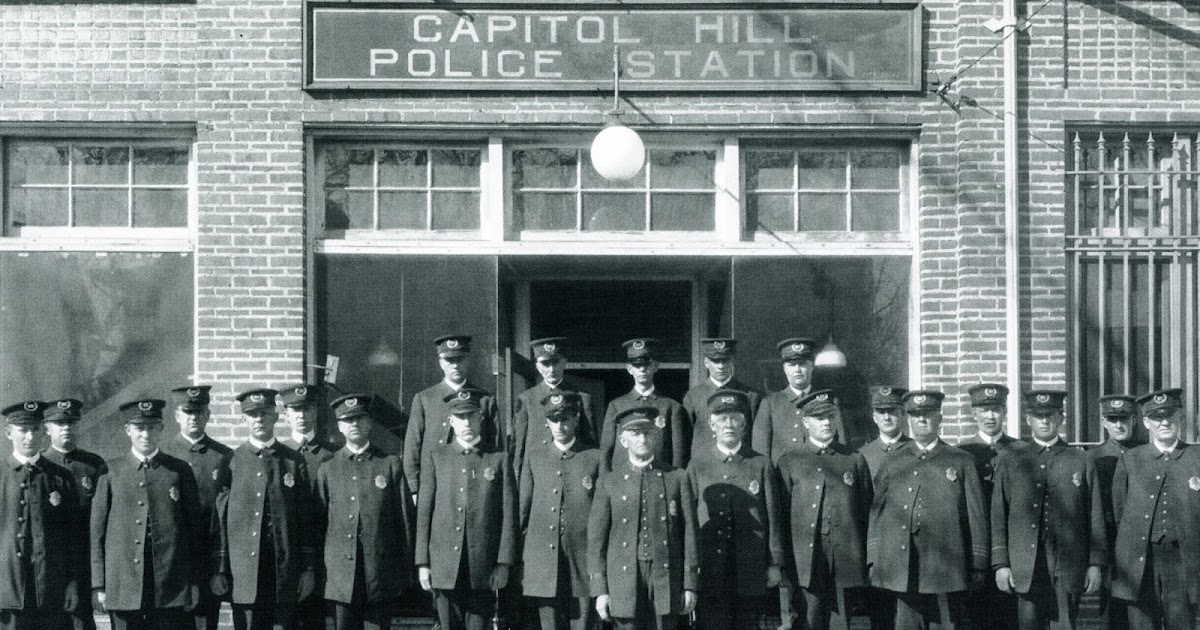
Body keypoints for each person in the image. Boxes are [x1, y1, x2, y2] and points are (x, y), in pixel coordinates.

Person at [867, 390, 988, 630]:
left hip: (946, 567)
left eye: (928, 414)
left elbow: (976, 515)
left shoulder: (960, 460)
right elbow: (877, 514)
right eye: (916, 415)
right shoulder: (893, 462)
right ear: (908, 419)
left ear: (940, 418)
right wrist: (873, 558)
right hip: (904, 565)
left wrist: (978, 562)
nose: (922, 420)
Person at [991, 390, 1105, 630]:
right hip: (1025, 560)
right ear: (1028, 420)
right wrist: (1001, 563)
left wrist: (1095, 563)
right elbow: (999, 514)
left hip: (1068, 560)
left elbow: (1094, 515)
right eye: (1038, 415)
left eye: (1050, 415)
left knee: (1065, 625)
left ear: (1061, 418)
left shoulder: (1080, 459)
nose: (1045, 421)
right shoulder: (1011, 459)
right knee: (1028, 623)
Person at [90, 398, 204, 630]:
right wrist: (99, 584)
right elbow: (97, 533)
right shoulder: (110, 472)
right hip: (123, 582)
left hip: (170, 583)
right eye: (139, 428)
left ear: (161, 428)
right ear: (127, 430)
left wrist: (193, 580)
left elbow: (194, 532)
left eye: (152, 427)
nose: (146, 434)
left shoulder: (178, 470)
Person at [211, 388, 318, 630]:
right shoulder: (232, 461)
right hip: (245, 573)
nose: (259, 419)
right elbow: (220, 521)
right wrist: (219, 568)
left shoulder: (292, 460)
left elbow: (305, 520)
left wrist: (308, 568)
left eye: (265, 413)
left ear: (276, 416)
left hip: (284, 570)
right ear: (244, 419)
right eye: (253, 414)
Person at [588, 406, 699, 630]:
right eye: (635, 434)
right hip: (624, 579)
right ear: (623, 440)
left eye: (647, 432)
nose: (642, 439)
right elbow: (596, 540)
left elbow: (690, 534)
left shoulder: (677, 477)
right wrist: (600, 590)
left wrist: (690, 585)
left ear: (656, 435)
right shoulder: (609, 482)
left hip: (666, 577)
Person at [416, 388, 516, 630]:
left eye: (471, 416)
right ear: (451, 420)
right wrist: (423, 563)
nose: (466, 422)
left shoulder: (498, 459)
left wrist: (503, 563)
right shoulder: (436, 457)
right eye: (460, 417)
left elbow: (509, 515)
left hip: (483, 566)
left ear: (481, 418)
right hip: (444, 564)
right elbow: (425, 512)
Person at [318, 393, 416, 630]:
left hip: (380, 574)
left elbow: (404, 521)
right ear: (340, 426)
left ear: (370, 422)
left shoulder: (389, 464)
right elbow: (319, 524)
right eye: (348, 420)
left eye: (360, 418)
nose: (355, 425)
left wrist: (405, 570)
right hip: (341, 575)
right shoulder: (328, 469)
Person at [687, 390, 783, 630]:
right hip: (710, 568)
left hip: (750, 568)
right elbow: (688, 520)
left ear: (744, 425)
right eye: (722, 419)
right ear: (712, 424)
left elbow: (772, 514)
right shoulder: (698, 465)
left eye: (735, 419)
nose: (728, 425)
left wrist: (774, 562)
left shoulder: (759, 463)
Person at [778, 391, 871, 630]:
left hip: (845, 559)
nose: (827, 422)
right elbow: (780, 516)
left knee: (843, 624)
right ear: (806, 422)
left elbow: (867, 513)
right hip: (806, 560)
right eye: (819, 418)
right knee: (809, 621)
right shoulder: (791, 461)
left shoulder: (853, 459)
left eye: (830, 416)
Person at [1111, 388, 1200, 630]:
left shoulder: (1196, 458)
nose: (1164, 423)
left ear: (1180, 418)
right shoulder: (1131, 460)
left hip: (1182, 562)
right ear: (1146, 422)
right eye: (1157, 418)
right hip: (1140, 562)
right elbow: (1119, 512)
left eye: (1170, 416)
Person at [518, 391, 602, 630]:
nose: (560, 425)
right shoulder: (535, 458)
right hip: (543, 558)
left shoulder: (594, 458)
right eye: (554, 420)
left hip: (583, 558)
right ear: (547, 422)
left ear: (576, 419)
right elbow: (523, 510)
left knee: (583, 624)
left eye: (565, 419)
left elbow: (602, 513)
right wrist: (525, 557)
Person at [1, 400, 81, 630]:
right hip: (8, 590)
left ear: (43, 431)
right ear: (8, 433)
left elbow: (73, 537)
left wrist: (72, 583)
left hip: (51, 588)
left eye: (35, 429)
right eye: (23, 430)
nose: (30, 436)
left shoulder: (61, 477)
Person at [159, 385, 231, 630]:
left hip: (206, 561)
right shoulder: (164, 455)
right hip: (172, 563)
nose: (193, 417)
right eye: (187, 412)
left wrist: (218, 567)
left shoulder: (223, 457)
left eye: (199, 412)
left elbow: (225, 517)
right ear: (177, 416)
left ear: (208, 415)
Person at [403, 334, 501, 494]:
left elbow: (495, 446)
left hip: (474, 482)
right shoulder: (425, 399)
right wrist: (414, 488)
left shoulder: (484, 400)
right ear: (441, 362)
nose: (455, 366)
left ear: (468, 360)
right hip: (434, 484)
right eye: (449, 360)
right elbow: (413, 446)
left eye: (460, 359)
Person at [41, 398, 106, 630]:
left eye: (70, 423)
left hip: (85, 562)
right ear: (47, 428)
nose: (66, 428)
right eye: (59, 423)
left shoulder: (93, 465)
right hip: (50, 566)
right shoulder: (40, 465)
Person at [277, 383, 335, 630]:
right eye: (295, 410)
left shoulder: (330, 456)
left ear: (316, 412)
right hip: (287, 553)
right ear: (287, 414)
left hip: (323, 555)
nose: (301, 416)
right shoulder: (279, 455)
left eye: (306, 409)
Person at [1088, 394, 1142, 630]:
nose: (1119, 425)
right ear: (1104, 422)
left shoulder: (1145, 454)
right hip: (1108, 543)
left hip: (1141, 543)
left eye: (1124, 419)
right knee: (1112, 612)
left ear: (1135, 420)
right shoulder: (1092, 458)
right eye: (1113, 419)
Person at [598, 339, 688, 471]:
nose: (642, 369)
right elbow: (606, 450)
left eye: (647, 365)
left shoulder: (671, 407)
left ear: (655, 366)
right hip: (624, 481)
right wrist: (606, 482)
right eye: (637, 365)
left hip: (660, 479)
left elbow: (678, 454)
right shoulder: (616, 406)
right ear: (629, 369)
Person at [753, 338, 845, 464]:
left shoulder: (830, 401)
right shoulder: (771, 403)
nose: (797, 370)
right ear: (784, 369)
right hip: (782, 479)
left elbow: (843, 448)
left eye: (802, 364)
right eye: (791, 365)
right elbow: (761, 453)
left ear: (812, 366)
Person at [512, 337, 595, 476]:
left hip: (572, 470)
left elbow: (590, 443)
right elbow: (519, 446)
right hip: (538, 474)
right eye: (545, 364)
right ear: (537, 366)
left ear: (564, 363)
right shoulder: (527, 399)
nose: (551, 369)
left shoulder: (581, 398)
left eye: (556, 362)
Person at [680, 338, 762, 461]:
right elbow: (685, 439)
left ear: (732, 361)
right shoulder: (693, 396)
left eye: (725, 360)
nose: (721, 366)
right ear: (706, 363)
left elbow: (757, 437)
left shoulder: (749, 396)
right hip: (705, 466)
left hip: (741, 463)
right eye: (715, 361)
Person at [857, 386, 910, 480]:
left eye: (891, 411)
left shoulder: (915, 449)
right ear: (874, 418)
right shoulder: (863, 454)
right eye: (881, 412)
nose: (886, 418)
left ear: (902, 414)